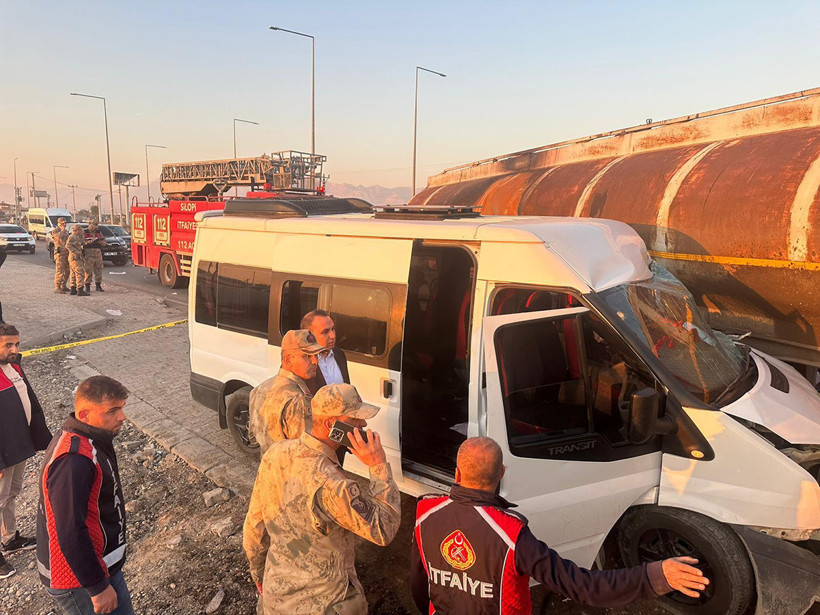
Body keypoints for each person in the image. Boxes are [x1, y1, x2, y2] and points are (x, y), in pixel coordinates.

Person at [411, 437, 710, 614]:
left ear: (456, 472)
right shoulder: (511, 535)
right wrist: (656, 575)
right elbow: (584, 586)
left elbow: (418, 584)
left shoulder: (424, 513)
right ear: (501, 473)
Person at [243, 383, 401, 614]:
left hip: (277, 598)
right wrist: (378, 467)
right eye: (355, 419)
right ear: (332, 425)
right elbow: (383, 528)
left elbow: (254, 526)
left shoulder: (275, 454)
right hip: (325, 603)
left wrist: (258, 573)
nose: (364, 424)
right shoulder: (333, 485)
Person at [37, 376, 133, 615]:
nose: (122, 417)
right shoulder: (73, 460)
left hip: (97, 568)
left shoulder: (89, 439)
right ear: (84, 415)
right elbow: (69, 530)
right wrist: (98, 587)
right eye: (112, 410)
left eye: (121, 408)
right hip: (78, 580)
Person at [0, 324, 52, 580]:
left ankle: (9, 538)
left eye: (17, 344)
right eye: (8, 345)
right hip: (3, 453)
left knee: (11, 494)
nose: (14, 349)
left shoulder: (14, 367)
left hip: (19, 446)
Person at [248, 329, 324, 454]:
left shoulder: (258, 390)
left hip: (267, 467)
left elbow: (253, 437)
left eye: (316, 355)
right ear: (288, 360)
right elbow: (307, 452)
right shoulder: (298, 400)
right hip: (291, 470)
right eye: (307, 356)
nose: (315, 361)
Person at [301, 310, 351, 395]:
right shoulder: (301, 362)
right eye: (325, 332)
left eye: (333, 329)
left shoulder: (339, 355)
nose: (333, 335)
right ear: (309, 336)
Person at [67, 224, 89, 297]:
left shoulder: (78, 236)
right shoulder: (72, 237)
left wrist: (88, 242)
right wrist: (76, 252)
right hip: (75, 257)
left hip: (75, 257)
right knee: (80, 273)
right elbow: (68, 245)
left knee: (73, 273)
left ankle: (73, 289)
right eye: (80, 230)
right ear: (76, 230)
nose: (81, 231)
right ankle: (80, 289)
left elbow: (81, 243)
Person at [83, 221, 105, 293]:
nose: (95, 227)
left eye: (96, 225)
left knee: (99, 270)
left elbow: (104, 241)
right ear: (89, 225)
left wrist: (102, 242)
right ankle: (87, 286)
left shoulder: (98, 232)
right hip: (89, 254)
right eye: (94, 225)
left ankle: (98, 285)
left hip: (98, 254)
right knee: (88, 271)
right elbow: (81, 242)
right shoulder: (85, 232)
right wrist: (88, 242)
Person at [51, 217, 70, 294]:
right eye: (63, 223)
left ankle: (63, 285)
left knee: (67, 270)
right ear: (59, 223)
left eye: (65, 223)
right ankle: (57, 287)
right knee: (60, 270)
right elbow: (58, 237)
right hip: (60, 253)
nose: (64, 225)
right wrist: (62, 230)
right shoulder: (55, 231)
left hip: (66, 252)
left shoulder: (66, 231)